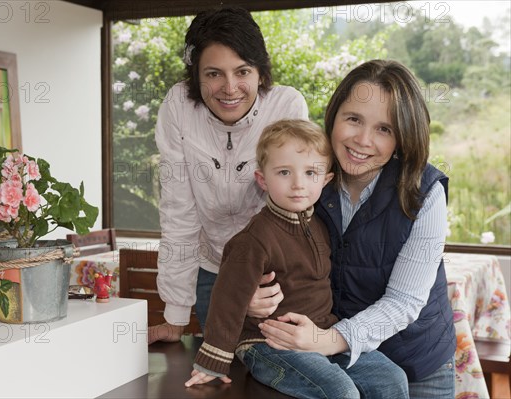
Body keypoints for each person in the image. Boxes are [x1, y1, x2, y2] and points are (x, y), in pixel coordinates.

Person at [250, 60, 456, 398]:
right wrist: (255, 294)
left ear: (402, 138)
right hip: (335, 359)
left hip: (416, 359)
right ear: (334, 116)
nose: (363, 140)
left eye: (384, 129)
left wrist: (328, 340)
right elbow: (272, 247)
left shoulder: (424, 191)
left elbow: (404, 300)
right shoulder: (308, 172)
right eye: (354, 119)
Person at [184, 119, 409, 399]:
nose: (298, 184)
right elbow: (227, 298)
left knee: (391, 379)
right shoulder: (254, 239)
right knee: (340, 392)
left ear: (326, 180)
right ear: (262, 180)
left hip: (321, 333)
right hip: (267, 344)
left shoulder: (321, 225)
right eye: (284, 172)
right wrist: (213, 360)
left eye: (311, 172)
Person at [150, 6, 308, 344]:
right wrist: (176, 315)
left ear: (260, 73)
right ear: (196, 75)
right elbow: (179, 213)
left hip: (273, 274)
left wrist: (247, 280)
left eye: (242, 71)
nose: (229, 88)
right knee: (218, 379)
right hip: (212, 269)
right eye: (213, 74)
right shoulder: (179, 106)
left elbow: (291, 209)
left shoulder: (286, 107)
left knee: (276, 377)